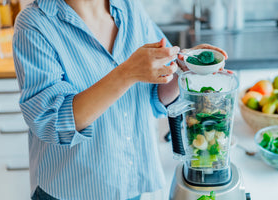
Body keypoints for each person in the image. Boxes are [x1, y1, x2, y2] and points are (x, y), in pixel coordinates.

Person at [12, 0, 228, 199]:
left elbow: (155, 96)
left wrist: (182, 70)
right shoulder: (33, 24)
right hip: (72, 191)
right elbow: (52, 122)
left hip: (129, 184)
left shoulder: (129, 7)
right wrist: (126, 73)